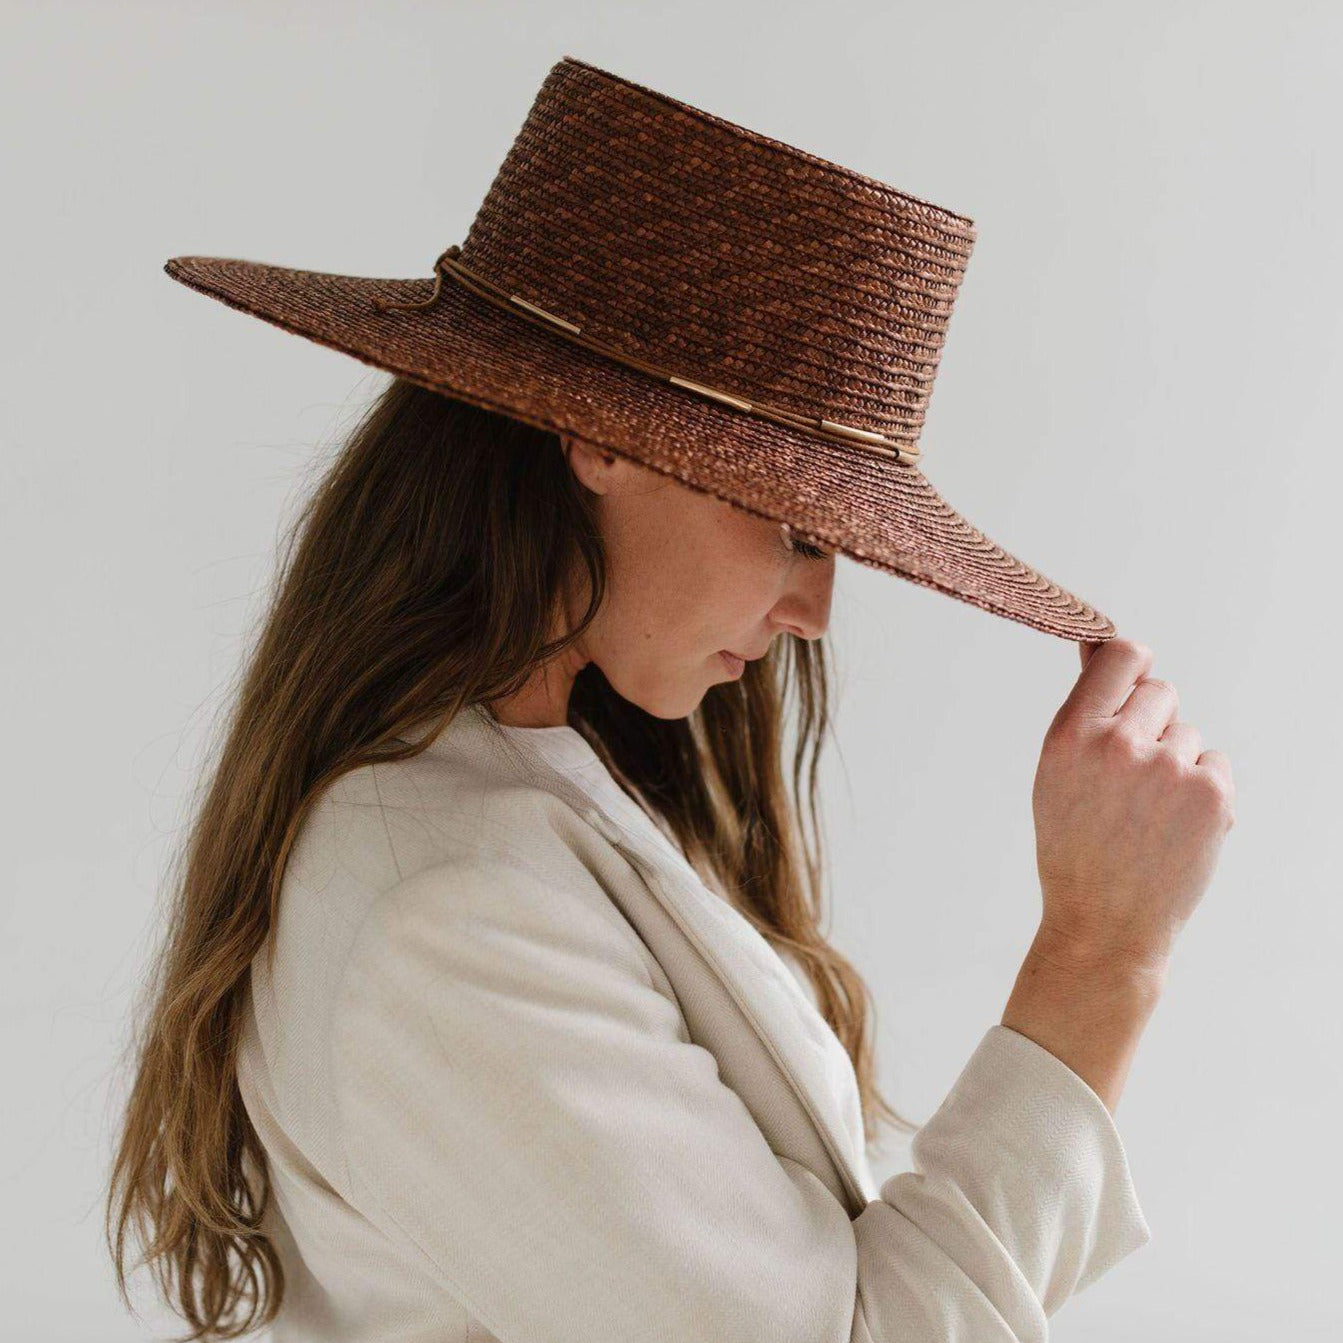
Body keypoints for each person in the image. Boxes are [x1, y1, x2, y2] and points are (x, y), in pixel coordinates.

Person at [106, 54, 1235, 1343]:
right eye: (799, 530)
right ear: (604, 441)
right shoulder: (448, 906)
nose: (815, 611)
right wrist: (1103, 954)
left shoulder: (539, 803)